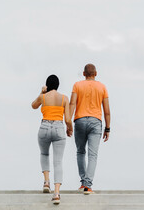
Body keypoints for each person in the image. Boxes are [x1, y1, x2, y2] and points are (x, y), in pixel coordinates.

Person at [69, 63, 111, 195]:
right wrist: (107, 128)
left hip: (80, 120)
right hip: (95, 121)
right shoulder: (102, 87)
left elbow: (72, 104)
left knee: (80, 152)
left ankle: (83, 183)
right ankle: (88, 186)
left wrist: (68, 123)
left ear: (83, 74)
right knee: (92, 155)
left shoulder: (77, 85)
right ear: (96, 74)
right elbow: (107, 111)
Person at [31, 74, 73, 204]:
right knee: (58, 161)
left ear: (47, 85)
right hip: (59, 127)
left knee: (44, 154)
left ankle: (46, 183)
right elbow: (67, 119)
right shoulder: (64, 98)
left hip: (44, 126)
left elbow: (33, 105)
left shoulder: (43, 97)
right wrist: (69, 128)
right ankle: (56, 194)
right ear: (58, 85)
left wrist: (42, 91)